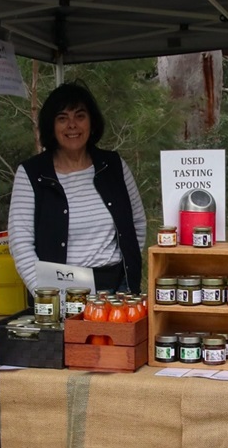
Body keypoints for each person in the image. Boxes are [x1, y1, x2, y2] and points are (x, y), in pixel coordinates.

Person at [8, 81, 146, 295]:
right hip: (61, 293)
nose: (72, 125)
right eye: (62, 118)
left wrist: (128, 277)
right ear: (51, 127)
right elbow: (21, 244)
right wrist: (48, 297)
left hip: (118, 292)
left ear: (92, 122)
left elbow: (136, 223)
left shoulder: (113, 166)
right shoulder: (32, 173)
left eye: (80, 116)